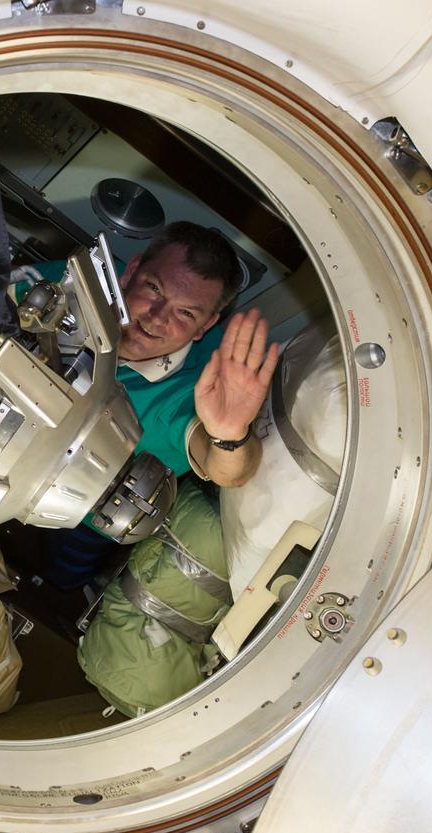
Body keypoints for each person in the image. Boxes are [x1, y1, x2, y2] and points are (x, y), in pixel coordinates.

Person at [19, 221, 279, 587]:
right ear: (130, 272)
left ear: (205, 327)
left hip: (86, 511)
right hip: (6, 438)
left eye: (186, 314)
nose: (157, 317)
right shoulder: (73, 286)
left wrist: (229, 434)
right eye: (154, 288)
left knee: (58, 577)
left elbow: (229, 471)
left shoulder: (198, 389)